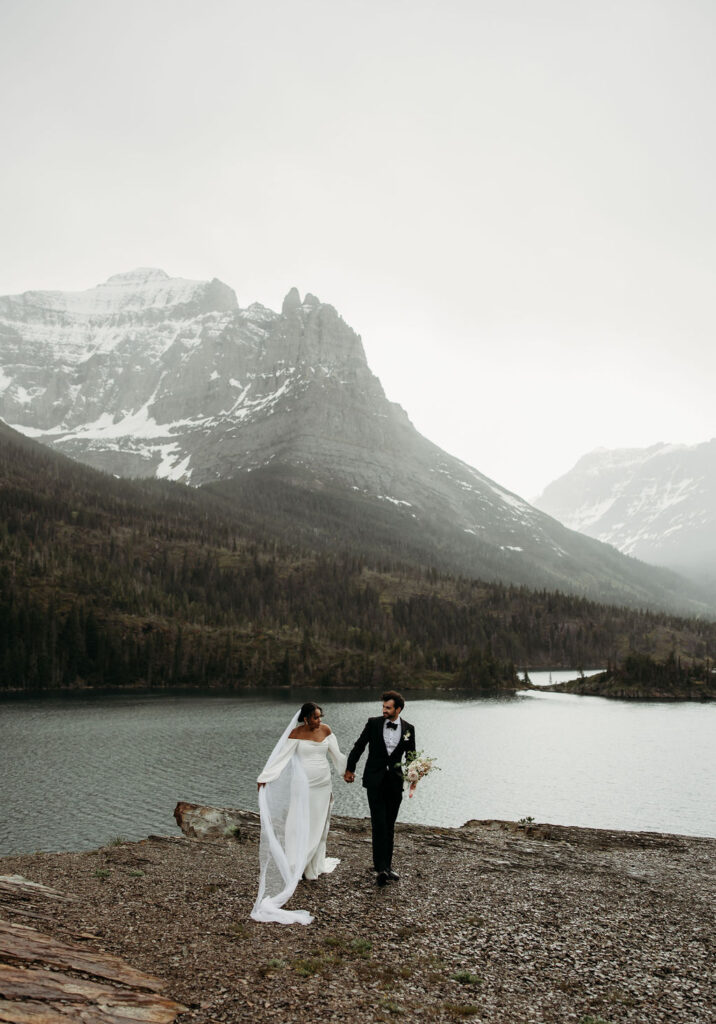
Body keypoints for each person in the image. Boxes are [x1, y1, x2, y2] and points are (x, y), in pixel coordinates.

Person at [251, 701, 346, 925]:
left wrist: (346, 771)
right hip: (302, 787)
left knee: (319, 824)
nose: (319, 721)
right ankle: (296, 864)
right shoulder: (296, 733)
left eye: (320, 717)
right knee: (297, 823)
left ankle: (311, 866)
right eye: (315, 717)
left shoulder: (327, 730)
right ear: (305, 718)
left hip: (323, 785)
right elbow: (281, 758)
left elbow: (336, 755)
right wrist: (265, 777)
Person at [344, 690, 416, 886]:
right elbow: (359, 746)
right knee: (378, 823)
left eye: (388, 707)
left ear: (398, 709)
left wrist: (415, 773)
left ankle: (388, 866)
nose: (384, 710)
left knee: (390, 824)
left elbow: (411, 756)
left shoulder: (409, 729)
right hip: (374, 781)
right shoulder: (373, 723)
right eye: (383, 707)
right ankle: (380, 868)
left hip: (395, 782)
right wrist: (350, 768)